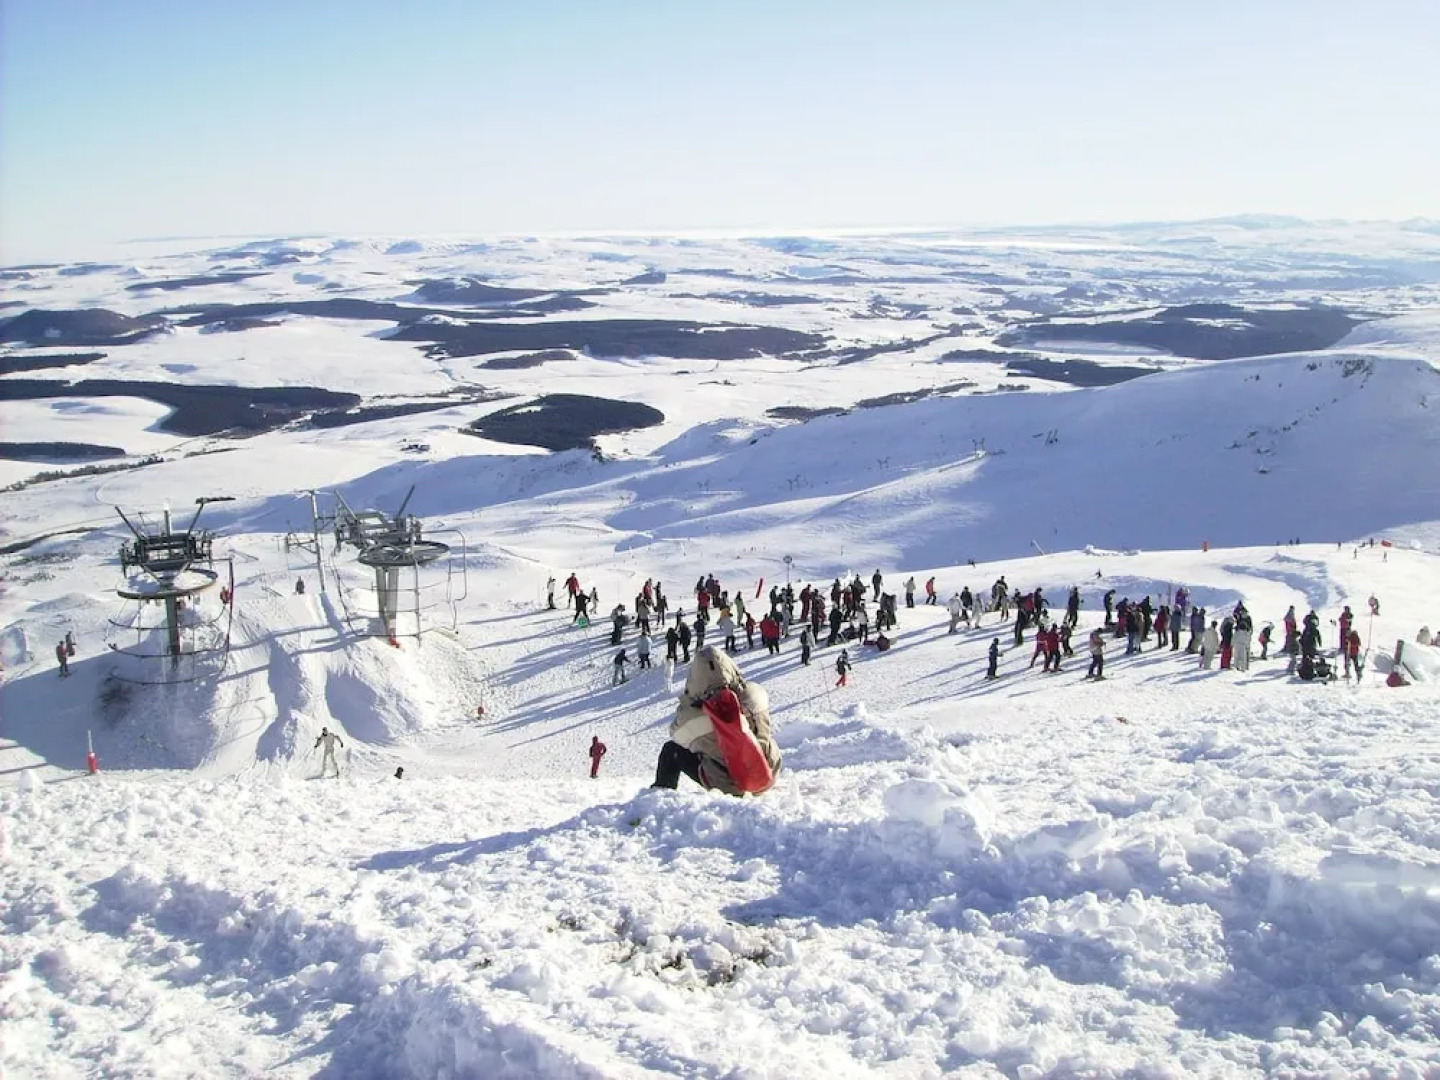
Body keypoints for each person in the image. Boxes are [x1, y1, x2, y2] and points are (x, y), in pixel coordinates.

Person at [652, 646, 782, 795]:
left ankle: (659, 796)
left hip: (728, 786)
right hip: (768, 774)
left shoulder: (695, 716)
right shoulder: (755, 694)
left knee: (671, 750)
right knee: (764, 731)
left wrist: (688, 703)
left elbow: (675, 735)